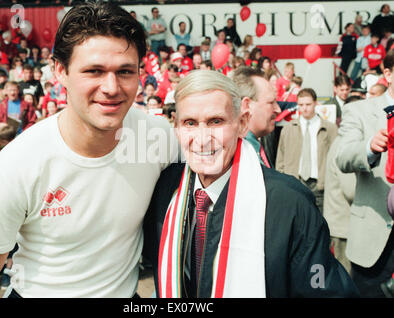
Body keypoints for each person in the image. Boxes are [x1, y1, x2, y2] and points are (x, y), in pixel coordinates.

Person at [0, 2, 178, 298]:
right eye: (94, 71)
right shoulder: (18, 163)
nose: (111, 87)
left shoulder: (158, 138)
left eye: (125, 71)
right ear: (59, 71)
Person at [144, 70, 358, 298]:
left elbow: (327, 291)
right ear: (176, 128)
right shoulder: (165, 190)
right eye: (190, 123)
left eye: (216, 121)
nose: (203, 137)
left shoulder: (290, 203)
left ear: (242, 123)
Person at [335, 51, 394, 297]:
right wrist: (370, 147)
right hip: (375, 241)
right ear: (388, 74)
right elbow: (343, 156)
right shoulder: (359, 110)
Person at [323, 96, 361, 274]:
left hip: (341, 224)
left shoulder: (341, 141)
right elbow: (351, 190)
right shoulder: (345, 146)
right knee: (346, 280)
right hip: (343, 227)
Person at [233, 66, 280, 168]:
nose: (278, 109)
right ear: (247, 105)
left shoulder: (253, 146)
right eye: (271, 102)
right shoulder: (240, 155)